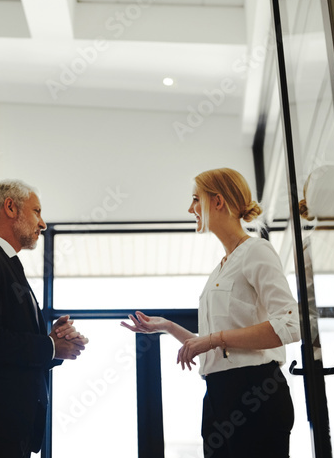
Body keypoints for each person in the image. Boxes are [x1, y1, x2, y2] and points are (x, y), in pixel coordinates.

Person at [121, 168, 301, 457]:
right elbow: (217, 346)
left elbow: (291, 325)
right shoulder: (222, 266)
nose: (190, 208)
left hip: (254, 393)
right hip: (219, 396)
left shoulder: (257, 251)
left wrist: (213, 339)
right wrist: (168, 326)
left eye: (196, 199)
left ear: (218, 202)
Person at [0, 179, 88, 458]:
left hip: (7, 430)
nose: (43, 224)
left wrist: (53, 342)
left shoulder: (5, 264)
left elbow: (7, 343)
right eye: (37, 211)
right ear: (10, 208)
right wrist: (50, 346)